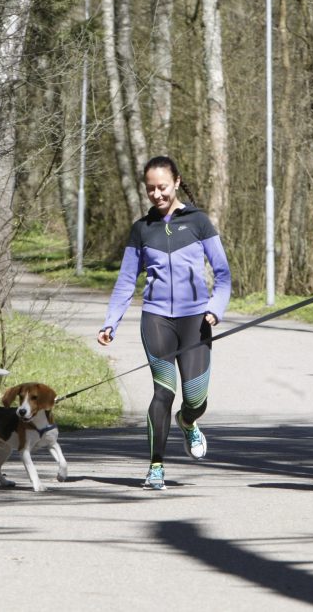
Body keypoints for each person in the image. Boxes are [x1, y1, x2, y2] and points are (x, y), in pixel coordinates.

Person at [98, 155, 231, 490]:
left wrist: (215, 308)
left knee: (195, 398)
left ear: (176, 182)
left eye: (162, 187)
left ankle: (187, 422)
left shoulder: (199, 222)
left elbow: (224, 275)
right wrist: (110, 322)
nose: (156, 194)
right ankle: (156, 466)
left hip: (195, 321)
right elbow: (127, 281)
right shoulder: (141, 229)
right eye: (150, 189)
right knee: (163, 390)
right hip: (156, 318)